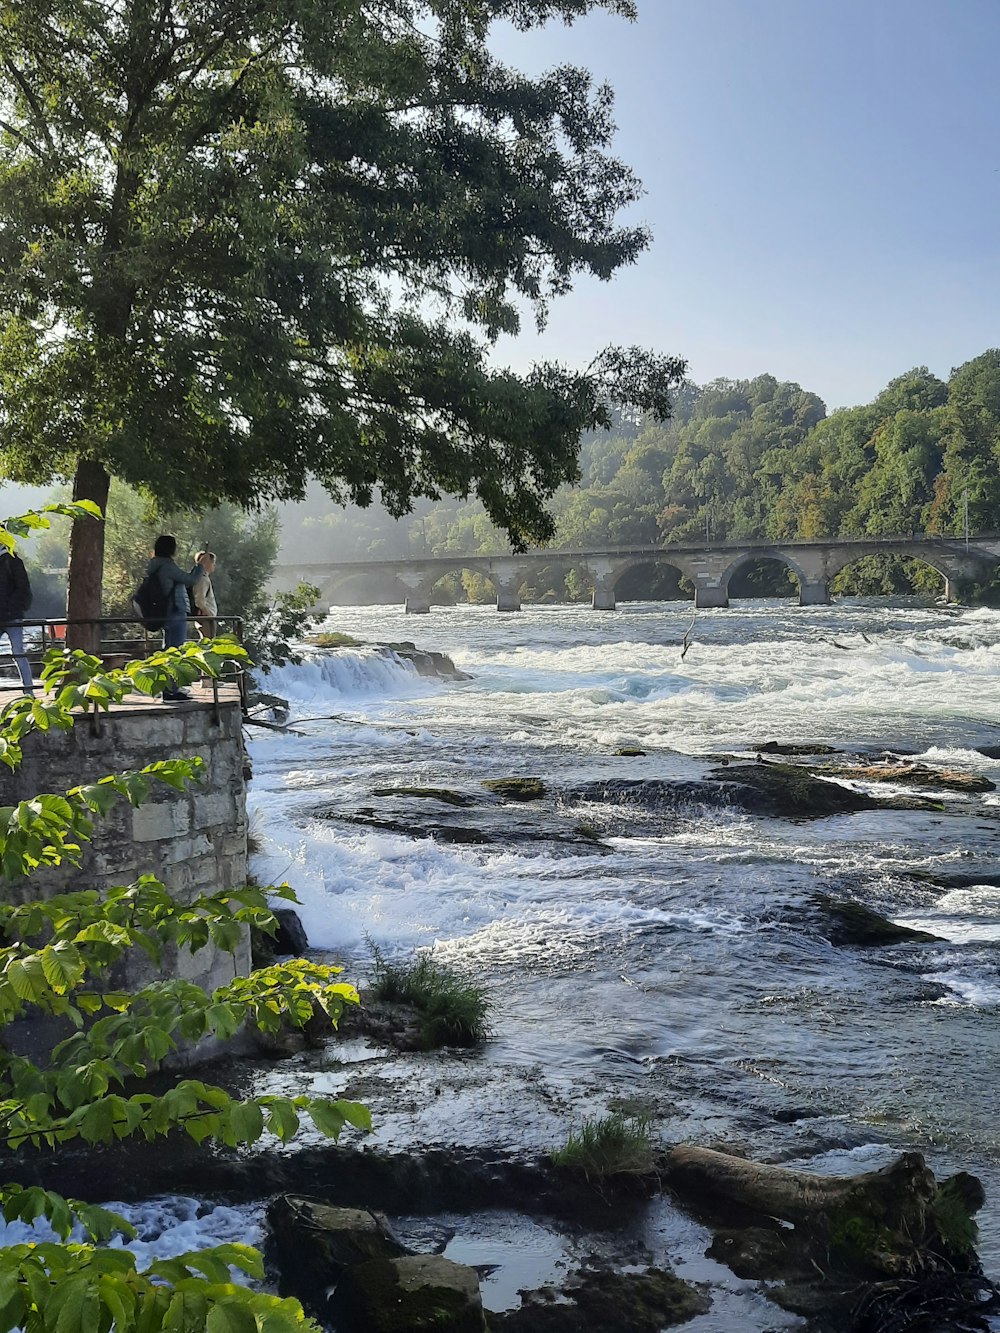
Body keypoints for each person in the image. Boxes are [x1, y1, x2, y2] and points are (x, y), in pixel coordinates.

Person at [147, 536, 204, 701]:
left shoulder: (155, 565)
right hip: (175, 612)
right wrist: (200, 566)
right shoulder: (167, 566)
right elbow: (191, 580)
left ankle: (167, 688)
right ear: (170, 549)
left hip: (164, 612)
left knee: (168, 649)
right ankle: (172, 690)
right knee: (176, 651)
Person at [0, 550, 33, 696]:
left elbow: (22, 588)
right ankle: (29, 692)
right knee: (18, 653)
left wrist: (9, 607)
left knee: (18, 653)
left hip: (11, 615)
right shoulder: (13, 561)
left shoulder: (12, 561)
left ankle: (29, 691)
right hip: (10, 614)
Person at [193, 550, 218, 638]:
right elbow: (199, 600)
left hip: (205, 617)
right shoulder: (203, 579)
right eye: (212, 562)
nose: (214, 565)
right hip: (206, 618)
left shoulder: (200, 578)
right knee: (208, 642)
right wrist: (208, 613)